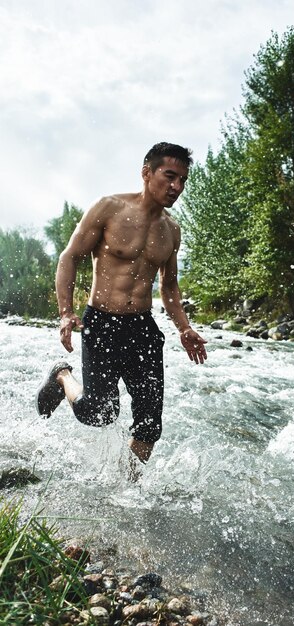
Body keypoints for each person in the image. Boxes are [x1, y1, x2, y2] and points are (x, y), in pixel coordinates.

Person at [36, 142, 207, 472]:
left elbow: (169, 287)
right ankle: (62, 375)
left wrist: (184, 327)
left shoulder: (172, 230)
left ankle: (127, 491)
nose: (177, 187)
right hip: (101, 323)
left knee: (150, 426)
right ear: (147, 173)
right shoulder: (109, 208)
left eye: (183, 180)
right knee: (98, 413)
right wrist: (66, 312)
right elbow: (70, 257)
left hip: (142, 327)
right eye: (170, 176)